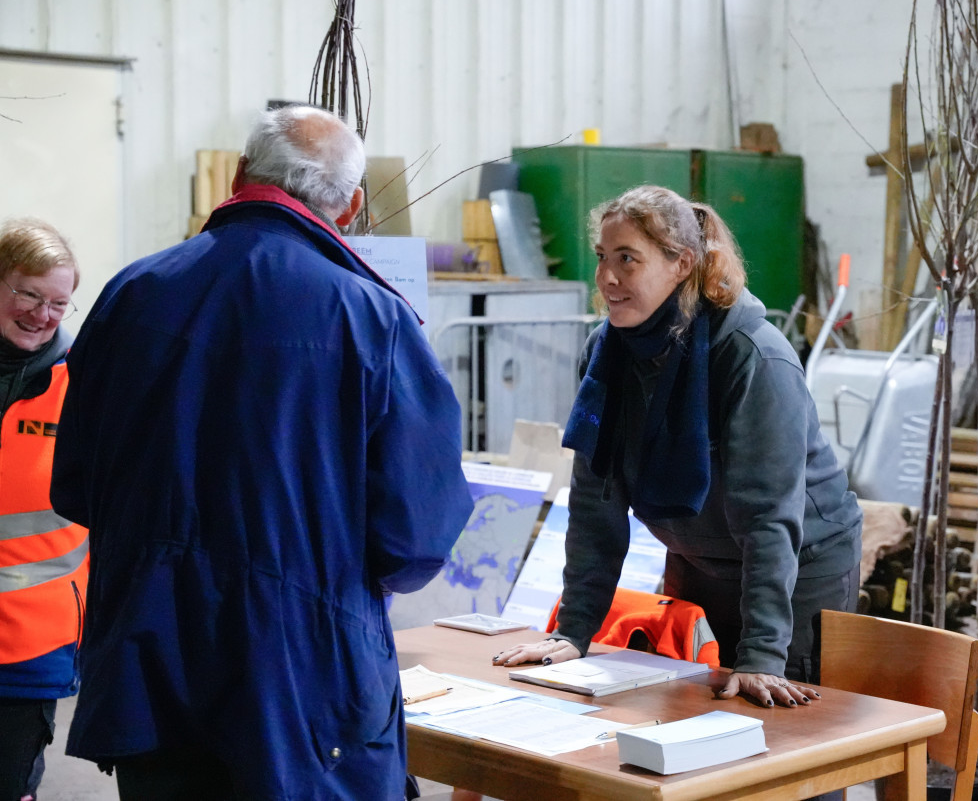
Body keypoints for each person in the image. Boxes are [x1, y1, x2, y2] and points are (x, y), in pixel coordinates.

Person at [50, 105, 474, 801]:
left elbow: (74, 485)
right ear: (351, 206)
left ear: (241, 175)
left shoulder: (132, 293)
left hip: (147, 657)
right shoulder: (372, 316)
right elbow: (415, 539)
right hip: (304, 677)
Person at [494, 185, 863, 709]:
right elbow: (596, 504)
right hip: (697, 556)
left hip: (799, 565)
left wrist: (762, 655)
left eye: (627, 259)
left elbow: (769, 518)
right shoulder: (606, 354)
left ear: (681, 264)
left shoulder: (752, 358)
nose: (607, 277)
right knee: (692, 709)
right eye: (602, 256)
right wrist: (573, 631)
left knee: (780, 722)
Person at [0, 219, 83, 801]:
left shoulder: (84, 383)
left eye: (57, 302)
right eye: (28, 294)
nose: (41, 314)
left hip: (32, 639)